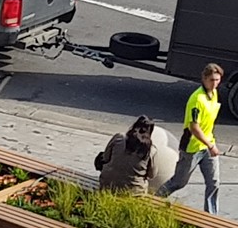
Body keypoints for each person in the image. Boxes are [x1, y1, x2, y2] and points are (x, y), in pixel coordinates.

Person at [159, 63, 223, 214]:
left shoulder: (214, 94)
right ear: (204, 78)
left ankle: (211, 217)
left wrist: (210, 143)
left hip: (207, 145)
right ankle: (154, 200)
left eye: (217, 80)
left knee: (214, 182)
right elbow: (194, 127)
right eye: (212, 80)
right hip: (192, 148)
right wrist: (210, 145)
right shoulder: (197, 99)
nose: (214, 84)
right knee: (178, 182)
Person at [95, 115, 158, 194]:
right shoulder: (151, 149)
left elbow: (105, 158)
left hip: (107, 185)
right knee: (145, 184)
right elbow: (151, 175)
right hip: (133, 191)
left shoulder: (119, 137)